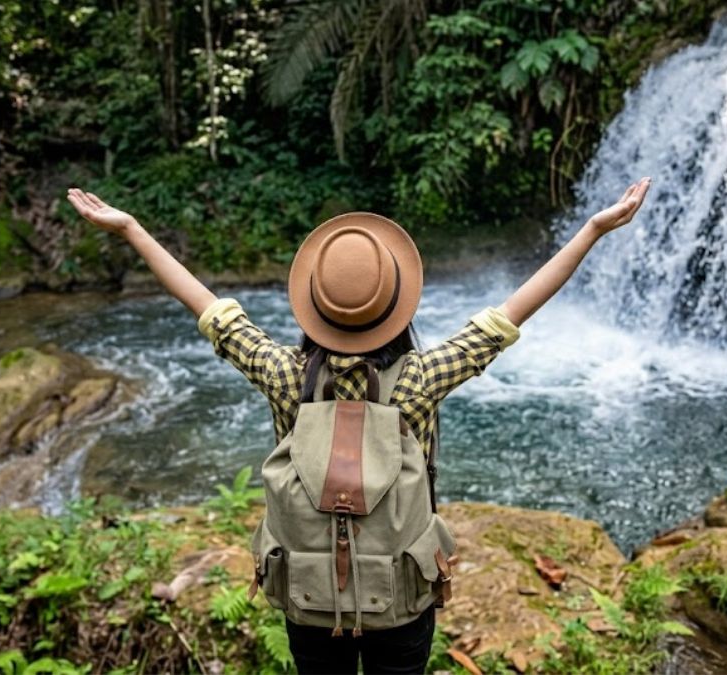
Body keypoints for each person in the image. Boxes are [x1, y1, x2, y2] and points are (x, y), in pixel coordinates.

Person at [66, 177, 652, 674]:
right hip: (400, 599)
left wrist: (132, 230)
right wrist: (592, 230)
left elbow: (210, 309)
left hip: (308, 595)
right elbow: (508, 317)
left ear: (313, 307)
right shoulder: (421, 378)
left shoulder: (283, 373)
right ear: (397, 307)